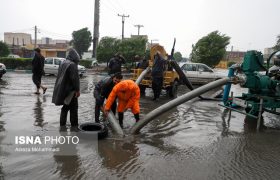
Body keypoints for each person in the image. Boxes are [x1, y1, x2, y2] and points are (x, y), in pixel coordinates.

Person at [52, 48, 80, 127]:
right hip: (71, 91)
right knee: (74, 108)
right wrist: (77, 90)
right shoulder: (72, 65)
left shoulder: (63, 63)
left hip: (63, 90)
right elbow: (75, 79)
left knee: (66, 107)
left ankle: (62, 125)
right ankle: (74, 126)